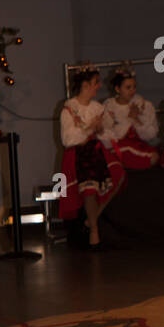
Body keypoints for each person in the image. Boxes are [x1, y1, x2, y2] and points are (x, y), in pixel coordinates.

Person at [58, 65, 125, 249]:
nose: (99, 86)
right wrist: (88, 128)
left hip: (96, 149)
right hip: (78, 153)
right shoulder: (70, 109)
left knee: (117, 173)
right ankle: (94, 231)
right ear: (86, 85)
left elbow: (107, 135)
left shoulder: (97, 108)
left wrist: (101, 129)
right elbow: (68, 139)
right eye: (96, 83)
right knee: (89, 188)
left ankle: (91, 220)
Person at [102, 66, 159, 168]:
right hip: (118, 145)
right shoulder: (109, 106)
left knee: (153, 157)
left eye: (134, 87)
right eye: (128, 87)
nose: (132, 91)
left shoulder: (142, 104)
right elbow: (107, 134)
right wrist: (126, 120)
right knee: (125, 151)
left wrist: (136, 118)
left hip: (138, 144)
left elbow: (151, 135)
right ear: (117, 89)